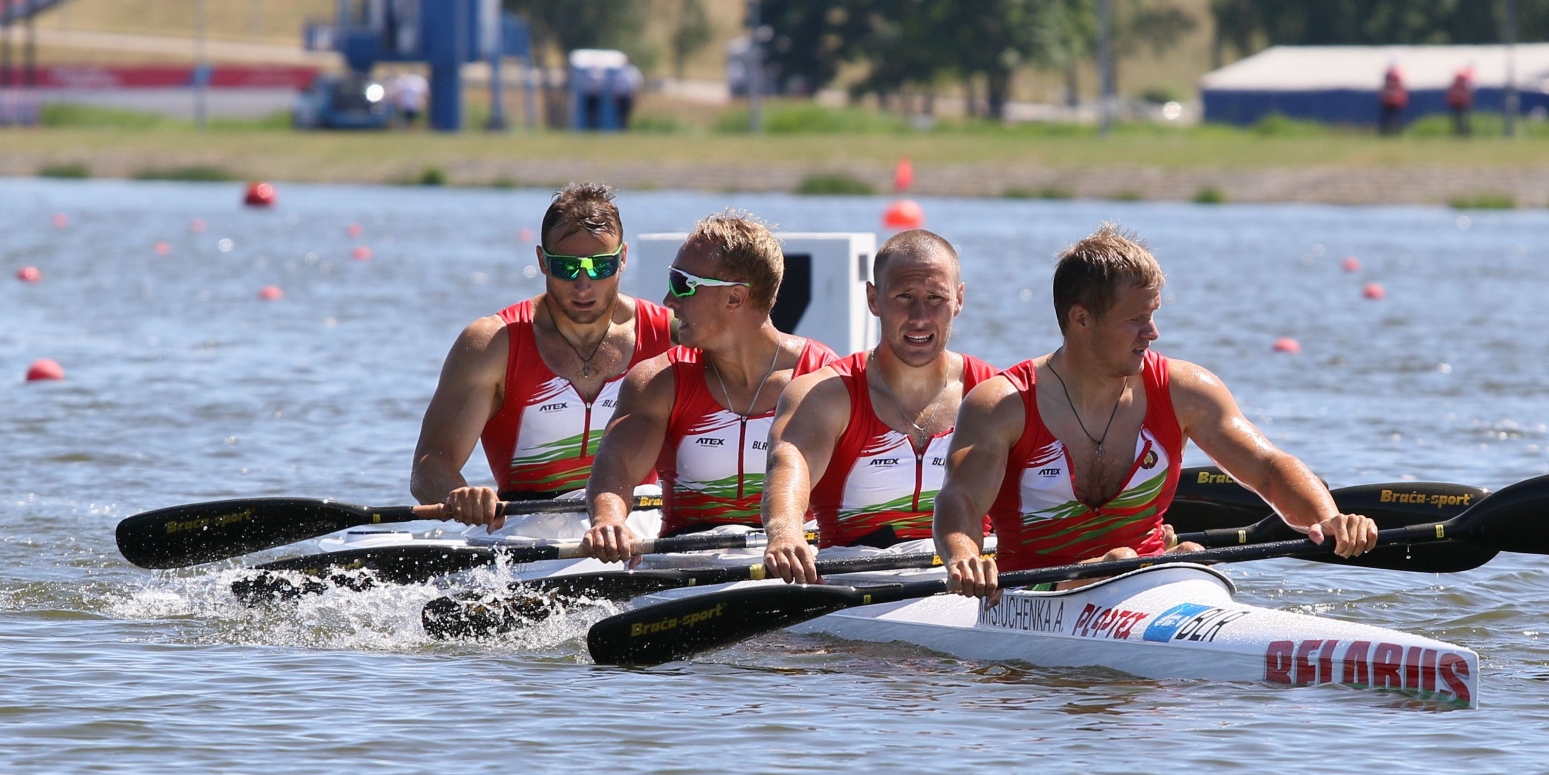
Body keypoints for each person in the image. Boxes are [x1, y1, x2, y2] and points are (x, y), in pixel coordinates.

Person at [933, 223, 1376, 602]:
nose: (1153, 332)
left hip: (1152, 583)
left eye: (1153, 314)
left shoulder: (1185, 391)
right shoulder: (1002, 405)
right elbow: (961, 499)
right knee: (1123, 561)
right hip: (1033, 591)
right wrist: (963, 557)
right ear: (1081, 319)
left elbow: (1269, 469)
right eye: (1135, 319)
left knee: (1188, 558)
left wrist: (1327, 517)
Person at [409, 182, 669, 527]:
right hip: (527, 529)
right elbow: (428, 468)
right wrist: (460, 495)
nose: (583, 284)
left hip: (635, 522)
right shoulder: (492, 343)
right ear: (542, 261)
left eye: (600, 266)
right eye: (567, 267)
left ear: (622, 259)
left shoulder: (671, 336)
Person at [584, 210, 838, 558]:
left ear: (735, 297)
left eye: (682, 283)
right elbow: (619, 465)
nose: (668, 300)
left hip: (789, 559)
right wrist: (609, 519)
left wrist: (786, 533)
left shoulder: (823, 378)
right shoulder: (658, 381)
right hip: (687, 561)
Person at [761, 230, 996, 583]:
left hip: (970, 578)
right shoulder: (825, 394)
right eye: (904, 297)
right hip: (857, 579)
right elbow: (787, 465)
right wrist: (785, 533)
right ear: (874, 299)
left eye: (936, 298)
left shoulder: (993, 394)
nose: (920, 317)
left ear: (959, 299)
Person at [1378, 63, 1408, 137]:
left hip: (1393, 102)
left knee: (1393, 118)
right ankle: (1390, 132)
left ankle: (1391, 132)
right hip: (1391, 102)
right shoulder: (1394, 80)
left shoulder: (1391, 80)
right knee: (1391, 119)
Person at [1447, 65, 1475, 137]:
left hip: (1457, 104)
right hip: (1461, 104)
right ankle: (1463, 133)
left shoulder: (1455, 85)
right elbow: (1469, 94)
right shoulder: (1464, 85)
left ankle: (1460, 133)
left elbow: (1450, 94)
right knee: (1462, 120)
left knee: (1458, 121)